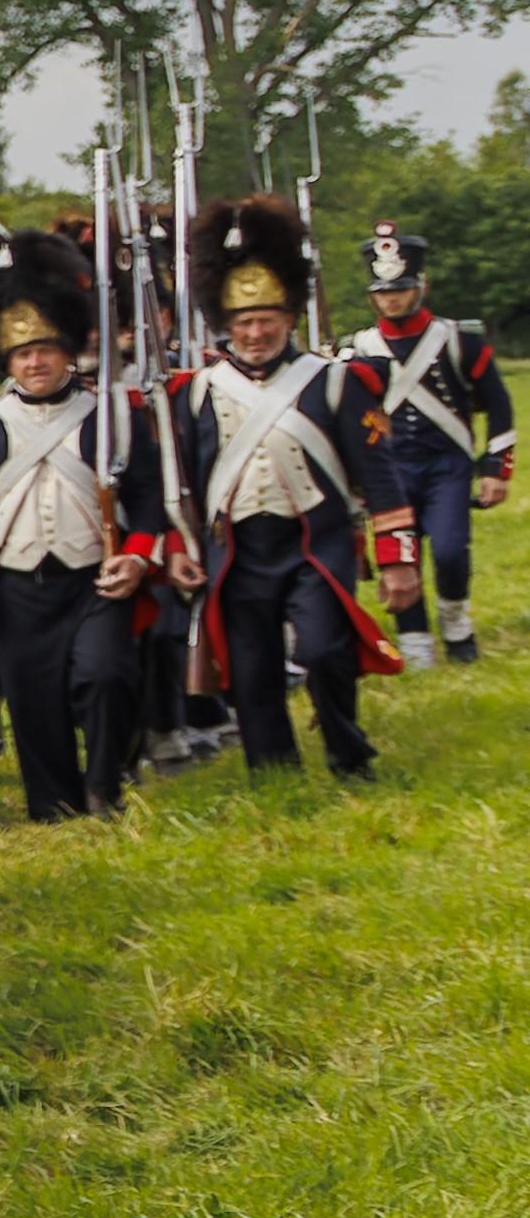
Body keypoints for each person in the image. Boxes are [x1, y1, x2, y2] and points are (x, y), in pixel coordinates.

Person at [172, 192, 410, 778]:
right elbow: (179, 482)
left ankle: (347, 751)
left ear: (288, 318)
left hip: (316, 543)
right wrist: (179, 548)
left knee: (327, 651)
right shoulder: (194, 393)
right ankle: (273, 769)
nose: (254, 332)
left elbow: (380, 474)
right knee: (251, 668)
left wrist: (398, 557)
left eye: (265, 320)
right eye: (243, 322)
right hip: (237, 550)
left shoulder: (333, 382)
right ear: (226, 324)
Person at [0, 223, 163, 823]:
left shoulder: (113, 415)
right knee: (34, 700)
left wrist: (138, 554)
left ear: (69, 350)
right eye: (22, 352)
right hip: (14, 584)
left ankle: (106, 786)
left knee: (105, 676)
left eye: (45, 349)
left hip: (96, 577)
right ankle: (55, 806)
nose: (35, 361)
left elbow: (147, 498)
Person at [347, 221, 507, 661]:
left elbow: (499, 405)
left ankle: (456, 623)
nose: (391, 298)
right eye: (383, 290)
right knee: (400, 554)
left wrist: (496, 468)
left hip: (447, 466)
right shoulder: (359, 348)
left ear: (421, 286)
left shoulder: (458, 339)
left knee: (452, 551)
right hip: (390, 470)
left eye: (400, 288)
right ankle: (415, 642)